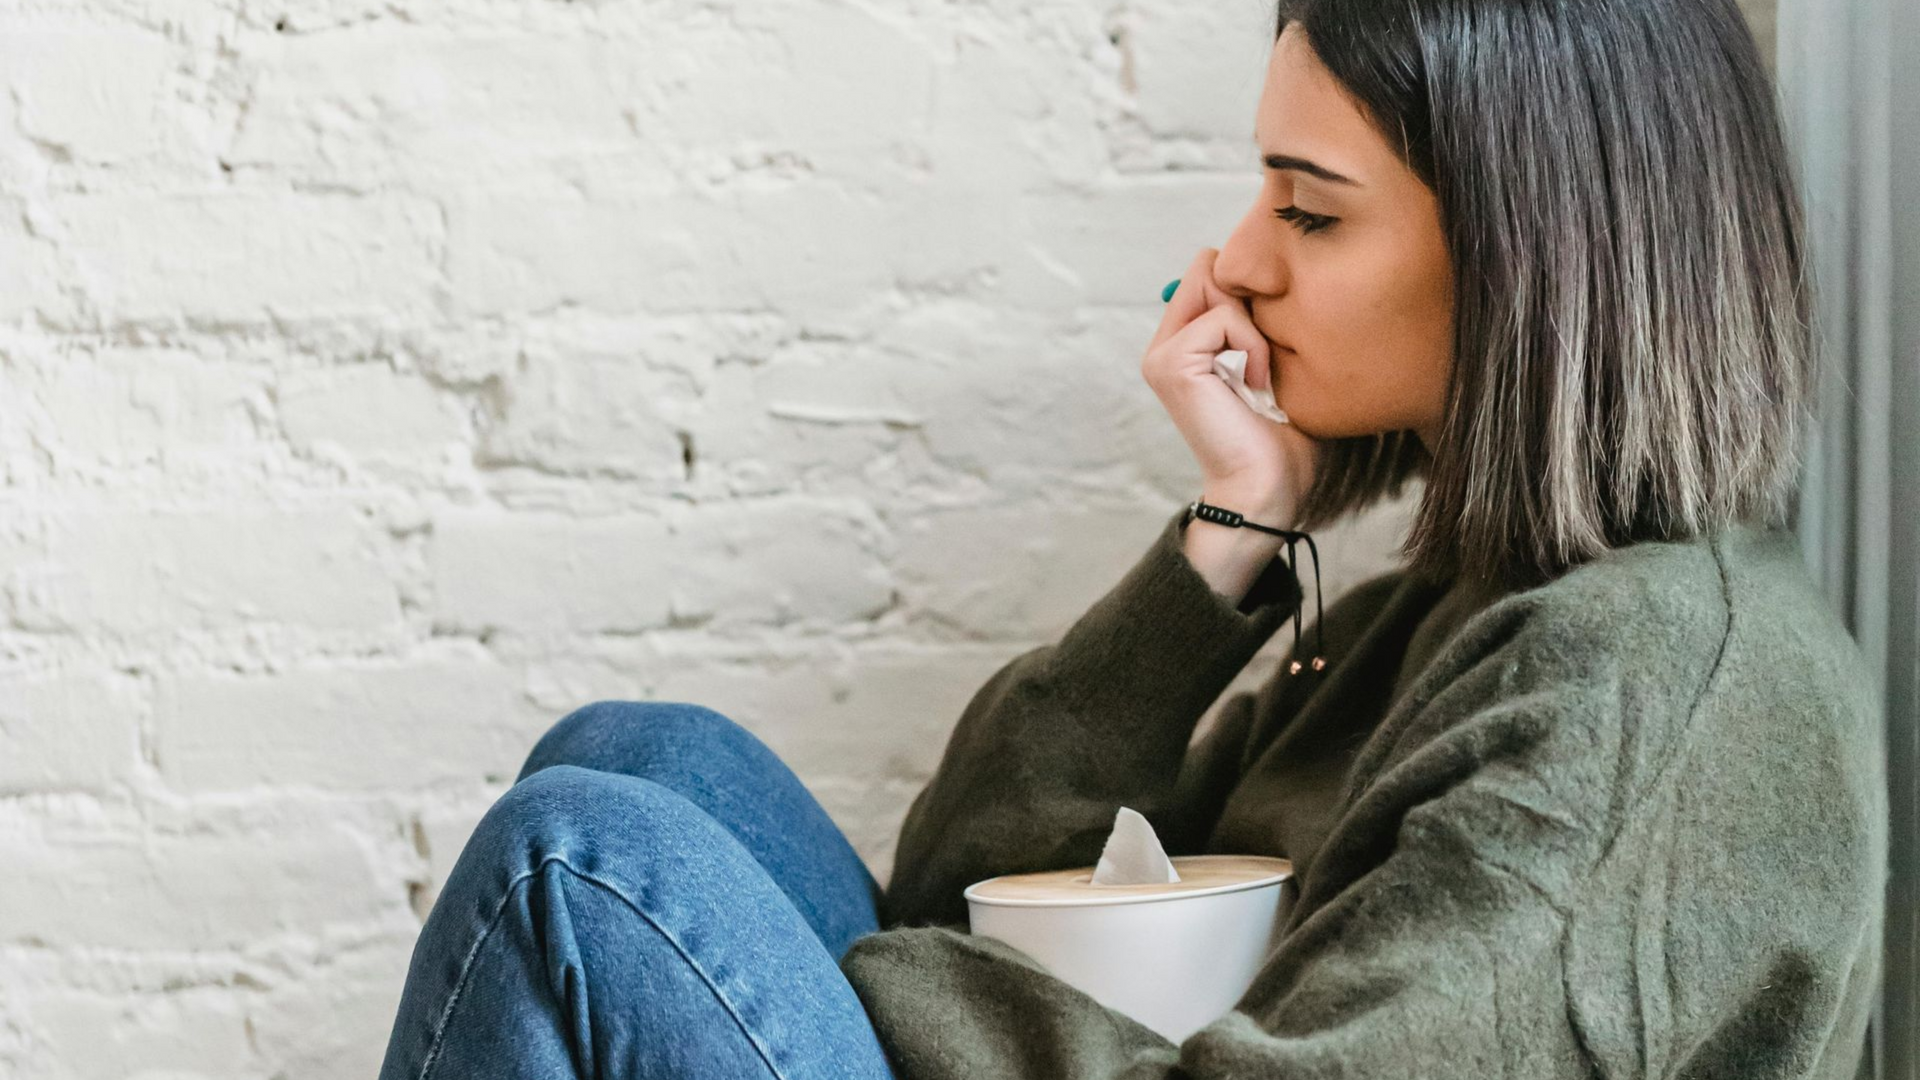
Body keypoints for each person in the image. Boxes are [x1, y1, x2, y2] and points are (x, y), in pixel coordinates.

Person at [376, 0, 1889, 1075]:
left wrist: (875, 990)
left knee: (570, 868)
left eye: (1309, 212)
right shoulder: (1427, 620)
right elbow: (965, 890)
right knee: (640, 757)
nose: (1237, 261)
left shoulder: (1654, 696)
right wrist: (1231, 533)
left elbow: (932, 951)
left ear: (1527, 255)